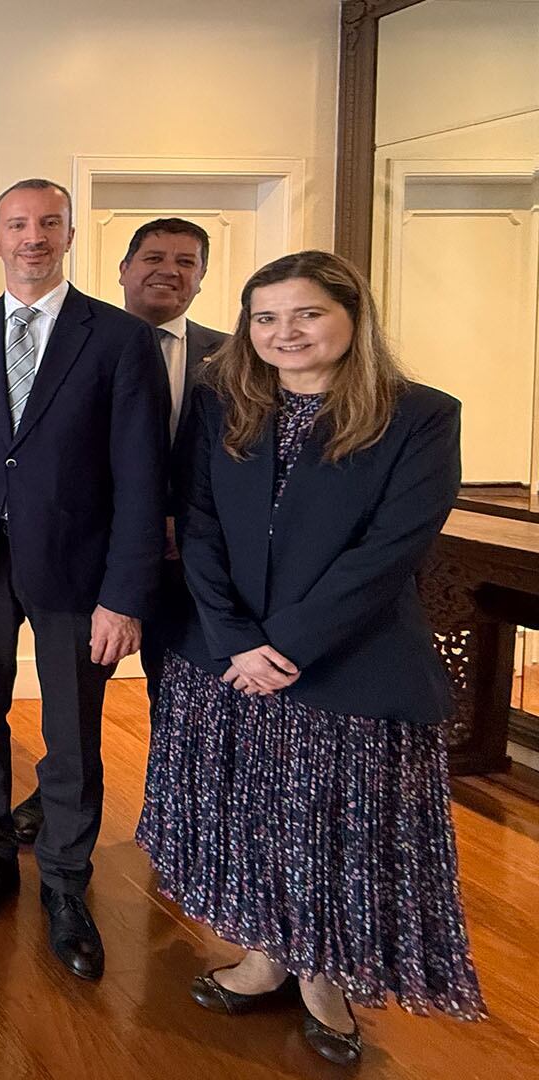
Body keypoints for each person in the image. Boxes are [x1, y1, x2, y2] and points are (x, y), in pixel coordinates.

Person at [137, 249, 483, 1065]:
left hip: (346, 665)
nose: (284, 333)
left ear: (352, 318)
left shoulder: (420, 417)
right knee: (247, 820)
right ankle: (263, 957)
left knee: (330, 831)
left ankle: (325, 977)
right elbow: (200, 523)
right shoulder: (226, 401)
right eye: (265, 318)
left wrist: (285, 647)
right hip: (222, 658)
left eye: (306, 314)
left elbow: (391, 551)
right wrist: (233, 639)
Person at [0, 178, 167, 981]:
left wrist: (124, 596)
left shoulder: (121, 340)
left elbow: (142, 479)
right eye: (16, 225)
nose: (32, 237)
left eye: (47, 223)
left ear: (66, 235)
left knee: (73, 734)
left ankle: (64, 882)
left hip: (77, 573)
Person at [9, 216, 226, 846]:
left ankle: (177, 818)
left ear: (203, 277)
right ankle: (57, 796)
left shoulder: (236, 357)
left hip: (198, 561)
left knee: (186, 695)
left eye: (186, 261)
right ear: (124, 270)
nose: (169, 270)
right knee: (76, 697)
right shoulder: (78, 341)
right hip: (97, 558)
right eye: (153, 257)